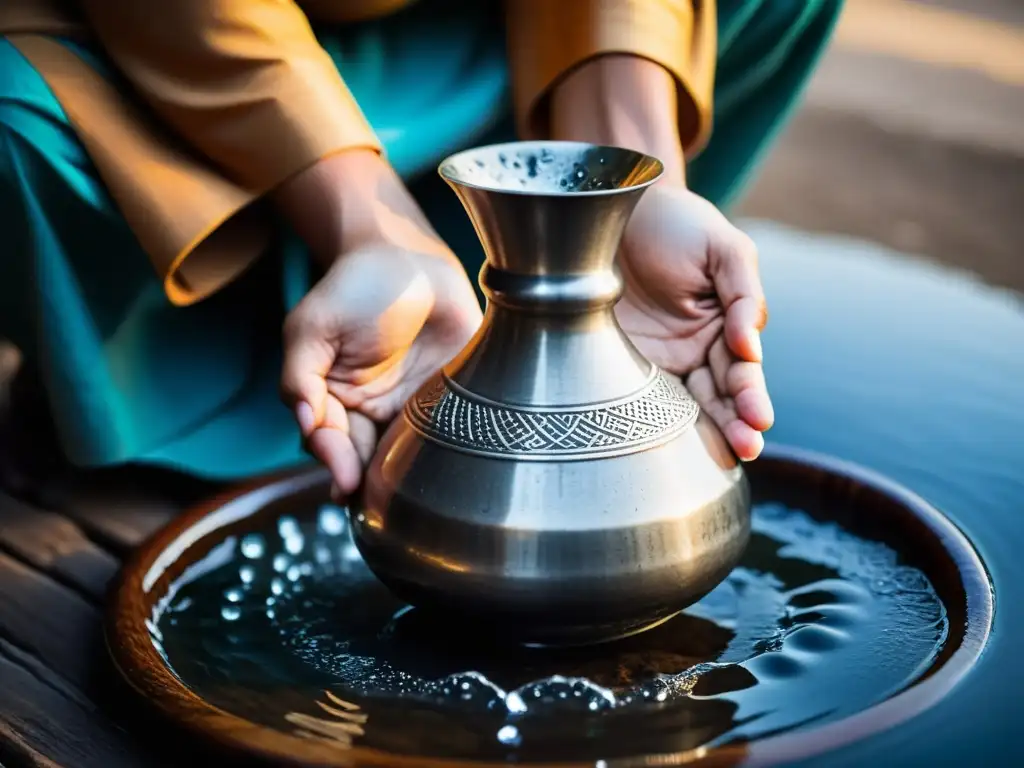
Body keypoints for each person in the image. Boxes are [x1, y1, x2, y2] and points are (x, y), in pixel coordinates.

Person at [0, 0, 843, 497]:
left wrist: (630, 178)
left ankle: (541, 292)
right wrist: (368, 223)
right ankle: (181, 377)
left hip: (484, 36)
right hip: (165, 52)